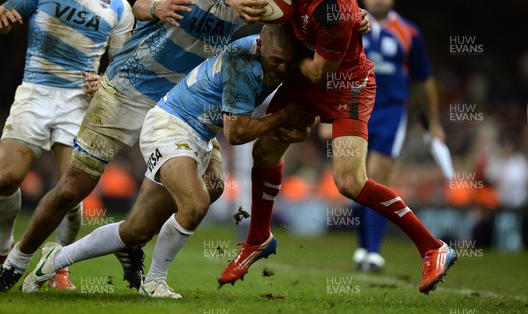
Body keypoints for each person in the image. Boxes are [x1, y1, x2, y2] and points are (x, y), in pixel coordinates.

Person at [0, 0, 252, 292]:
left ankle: (130, 240)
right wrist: (159, 7)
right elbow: (143, 4)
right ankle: (16, 262)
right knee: (73, 188)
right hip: (126, 91)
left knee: (211, 186)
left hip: (182, 105)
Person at [218, 0, 456, 294]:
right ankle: (258, 239)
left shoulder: (333, 9)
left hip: (347, 84)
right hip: (310, 68)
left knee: (349, 182)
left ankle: (433, 247)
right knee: (264, 151)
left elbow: (317, 71)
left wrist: (279, 54)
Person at [21, 24, 316, 298]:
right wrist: (283, 118)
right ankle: (154, 282)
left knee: (139, 228)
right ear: (260, 45)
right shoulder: (243, 62)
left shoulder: (276, 54)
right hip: (171, 125)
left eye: (288, 62)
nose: (282, 68)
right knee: (195, 204)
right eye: (277, 60)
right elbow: (237, 134)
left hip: (200, 134)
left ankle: (57, 257)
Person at [0, 0, 133, 291]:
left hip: (77, 104)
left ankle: (58, 263)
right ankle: (2, 247)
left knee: (70, 190)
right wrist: (3, 19)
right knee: (8, 177)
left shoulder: (119, 8)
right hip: (35, 93)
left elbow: (121, 67)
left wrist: (105, 81)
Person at [350, 0, 446, 271]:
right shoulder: (352, 27)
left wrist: (434, 122)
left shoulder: (409, 32)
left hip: (390, 111)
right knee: (353, 181)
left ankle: (373, 252)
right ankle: (363, 246)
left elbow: (425, 80)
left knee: (376, 179)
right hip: (353, 110)